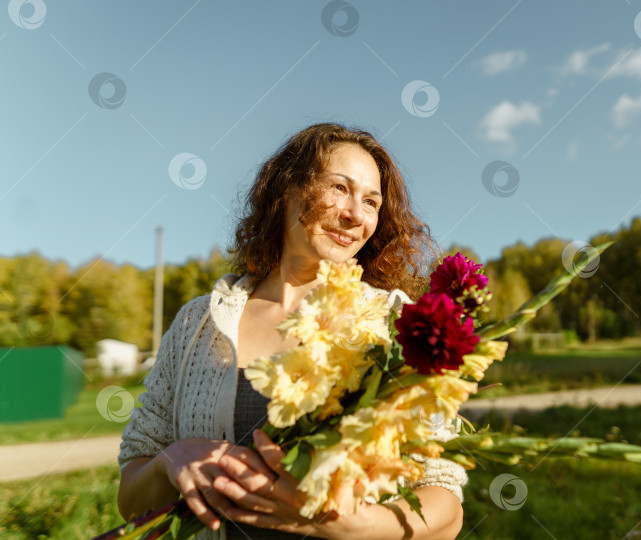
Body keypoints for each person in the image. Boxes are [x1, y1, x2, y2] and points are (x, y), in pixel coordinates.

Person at [117, 123, 468, 539]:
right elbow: (132, 499)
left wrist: (364, 528)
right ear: (286, 189)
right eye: (339, 188)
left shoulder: (395, 323)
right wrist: (169, 462)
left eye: (371, 201)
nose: (356, 213)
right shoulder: (198, 324)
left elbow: (445, 499)